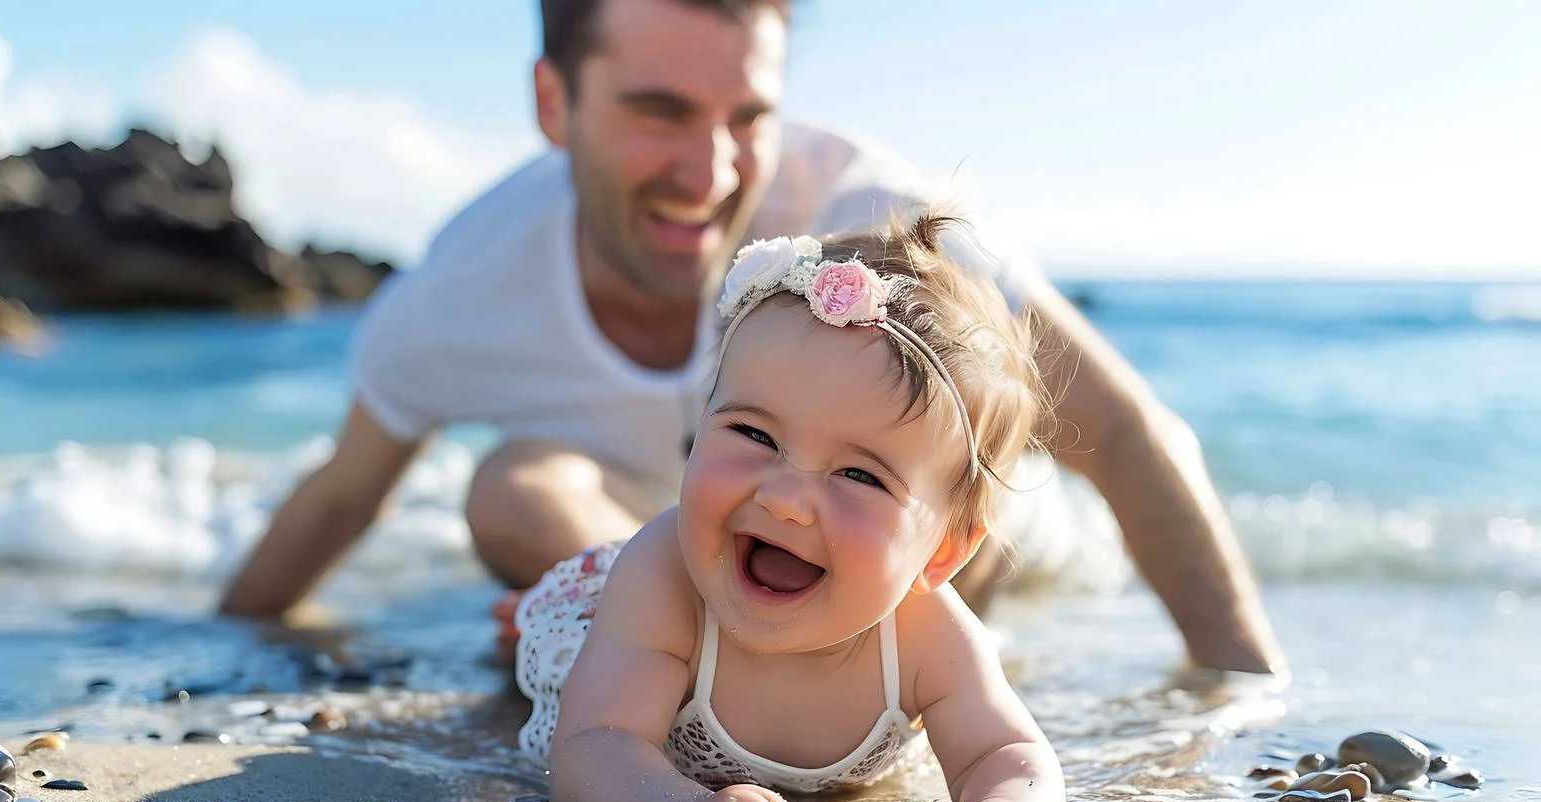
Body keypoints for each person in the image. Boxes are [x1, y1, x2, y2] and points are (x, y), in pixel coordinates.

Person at [218, 0, 1285, 678]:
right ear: (554, 103)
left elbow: (1130, 436)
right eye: (659, 111)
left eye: (746, 117)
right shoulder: (466, 285)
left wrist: (1247, 702)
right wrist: (197, 659)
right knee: (510, 488)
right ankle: (678, 637)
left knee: (951, 530)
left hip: (946, 532)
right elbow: (341, 496)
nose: (713, 172)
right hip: (715, 528)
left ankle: (755, 661)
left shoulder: (872, 215)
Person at [519, 212, 1070, 802]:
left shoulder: (928, 637)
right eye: (754, 434)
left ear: (942, 554)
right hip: (612, 629)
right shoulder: (662, 579)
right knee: (542, 679)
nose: (784, 498)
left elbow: (1009, 755)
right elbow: (592, 748)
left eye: (860, 475)